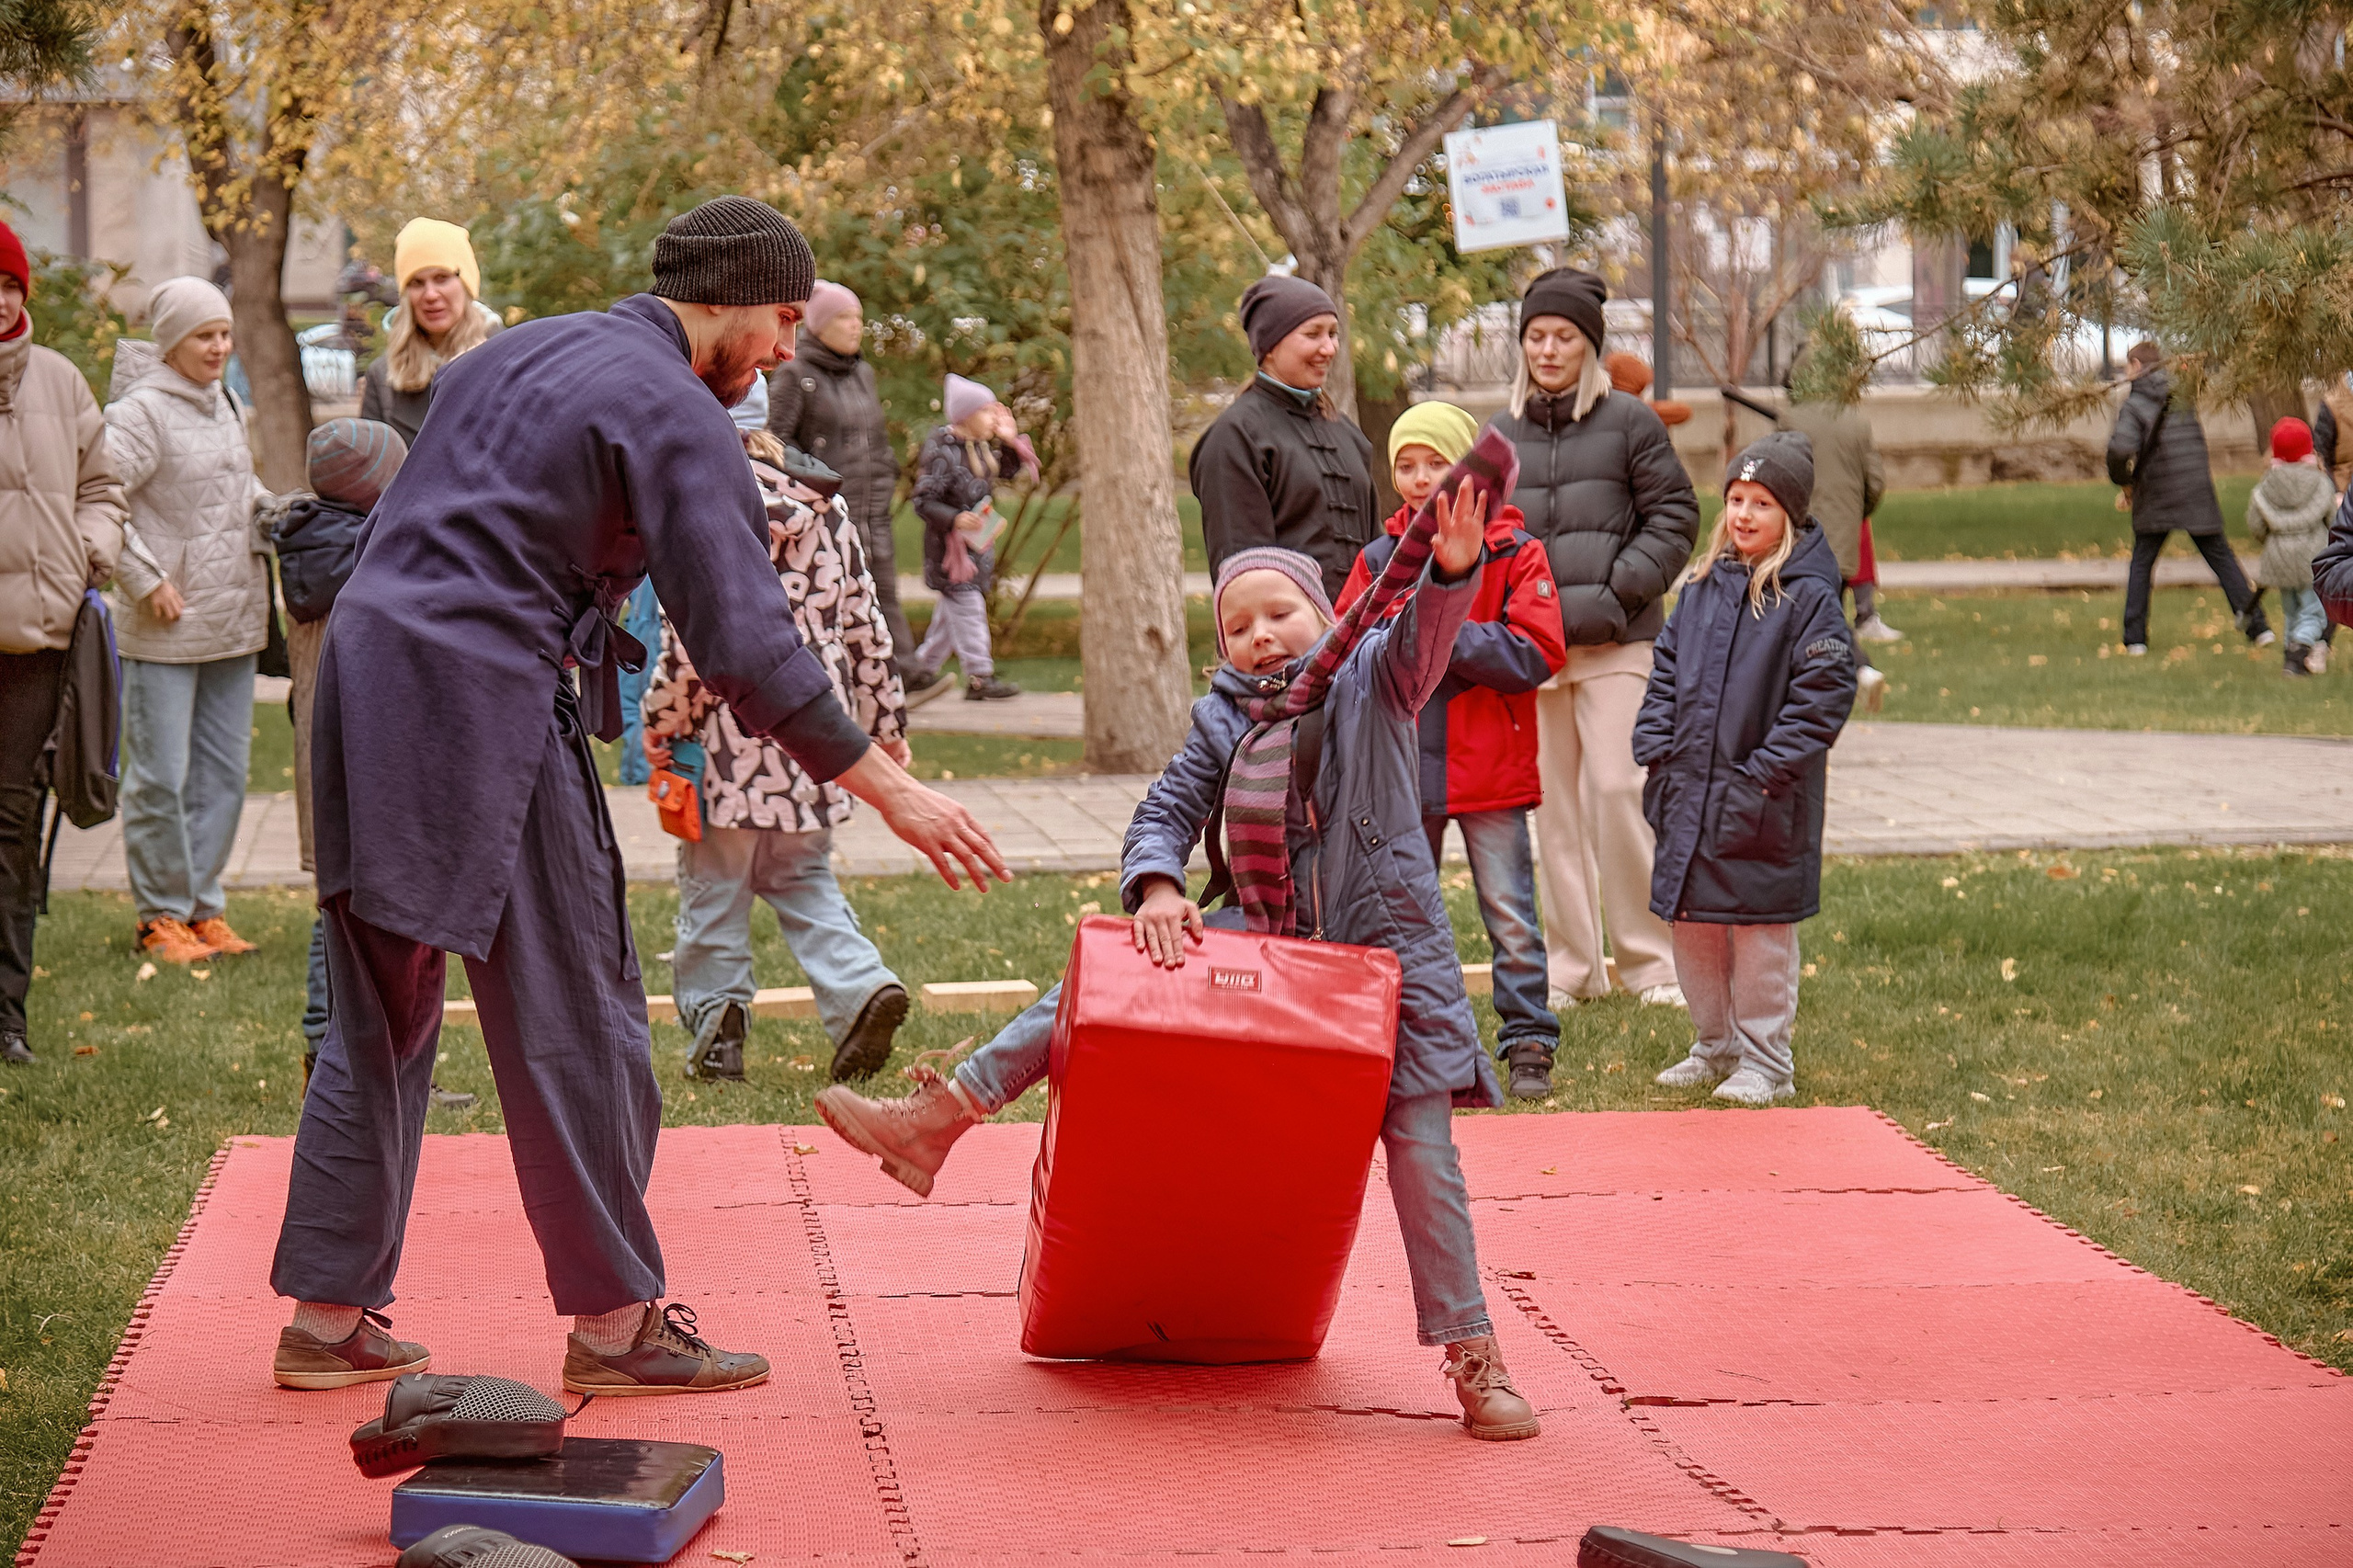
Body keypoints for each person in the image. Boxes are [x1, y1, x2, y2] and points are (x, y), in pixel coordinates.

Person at [268, 197, 1010, 1399]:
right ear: (723, 295)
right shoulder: (674, 408)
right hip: (479, 692)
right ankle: (617, 1327)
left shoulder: (514, 351)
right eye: (779, 319)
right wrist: (891, 787)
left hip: (365, 674)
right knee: (579, 1002)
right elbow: (749, 651)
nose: (783, 347)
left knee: (380, 1008)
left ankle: (325, 1315)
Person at [817, 475, 1549, 1443]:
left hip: (1385, 960)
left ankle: (1472, 1352)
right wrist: (1159, 884)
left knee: (1421, 1153)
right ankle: (942, 1114)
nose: (1261, 635)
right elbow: (1164, 807)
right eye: (1237, 624)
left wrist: (1451, 574)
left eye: (1280, 612)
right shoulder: (1223, 718)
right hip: (1271, 941)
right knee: (1101, 972)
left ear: (1324, 612)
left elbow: (1421, 640)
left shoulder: (1374, 676)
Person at [642, 434, 913, 1085]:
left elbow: (690, 643)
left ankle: (717, 1025)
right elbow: (866, 627)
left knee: (713, 889)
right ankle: (860, 990)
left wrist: (660, 721)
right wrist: (883, 724)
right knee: (805, 877)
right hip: (818, 731)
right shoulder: (830, 511)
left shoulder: (705, 509)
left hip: (729, 742)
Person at [1335, 401, 1567, 1100]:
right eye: (1405, 464)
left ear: (1467, 470)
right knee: (1399, 911)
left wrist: (1440, 627)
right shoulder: (1380, 560)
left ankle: (1528, 1040)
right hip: (1401, 771)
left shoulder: (1516, 553)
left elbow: (1537, 649)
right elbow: (1346, 647)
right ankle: (1401, 1042)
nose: (1417, 478)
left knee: (1510, 913)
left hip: (1489, 766)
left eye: (1435, 463)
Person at [1487, 267, 1699, 1015]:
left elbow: (1675, 517)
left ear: (1590, 347)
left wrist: (1619, 594)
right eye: (1537, 336)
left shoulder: (1629, 423)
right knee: (1554, 812)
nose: (1549, 350)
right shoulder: (1500, 435)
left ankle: (1651, 963)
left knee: (1617, 792)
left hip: (1619, 644)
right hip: (1531, 654)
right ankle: (1573, 966)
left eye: (1564, 338)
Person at [1637, 431, 1857, 1107]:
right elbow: (1666, 672)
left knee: (1760, 937)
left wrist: (1763, 773)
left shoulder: (1808, 600)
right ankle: (1714, 1043)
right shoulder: (1701, 590)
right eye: (1735, 499)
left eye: (1761, 503)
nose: (1744, 515)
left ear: (1788, 514)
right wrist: (1656, 747)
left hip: (1763, 799)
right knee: (1694, 925)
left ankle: (1767, 1059)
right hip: (1689, 795)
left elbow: (1821, 698)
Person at [106, 277, 271, 965]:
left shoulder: (224, 400)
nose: (219, 346)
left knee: (222, 774)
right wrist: (145, 581)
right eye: (205, 335)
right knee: (160, 777)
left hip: (233, 617)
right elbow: (98, 498)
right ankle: (160, 916)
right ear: (171, 341)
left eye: (224, 333)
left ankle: (204, 908)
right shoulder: (138, 414)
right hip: (165, 626)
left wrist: (277, 510)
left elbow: (236, 491)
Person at [0, 219, 125, 1065]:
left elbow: (103, 485)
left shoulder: (60, 381)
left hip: (36, 650)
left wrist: (93, 548)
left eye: (6, 285)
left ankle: (7, 1017)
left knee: (13, 831)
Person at [1188, 275, 1379, 602]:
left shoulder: (1348, 435)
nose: (1329, 348)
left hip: (1365, 644)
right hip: (1287, 647)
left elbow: (1376, 555)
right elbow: (1244, 582)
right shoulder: (1236, 438)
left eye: (1333, 334)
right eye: (1313, 334)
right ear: (1271, 346)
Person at [618, 381, 771, 786]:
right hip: (789, 748)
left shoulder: (689, 495)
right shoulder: (815, 498)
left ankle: (639, 772)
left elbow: (684, 651)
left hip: (703, 747)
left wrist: (659, 722)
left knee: (640, 666)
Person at [768, 279, 915, 672]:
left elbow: (878, 443)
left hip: (873, 507)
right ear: (818, 325)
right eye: (844, 317)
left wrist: (887, 480)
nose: (855, 326)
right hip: (826, 510)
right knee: (838, 594)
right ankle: (845, 678)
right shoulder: (795, 374)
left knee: (883, 588)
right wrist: (817, 487)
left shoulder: (863, 373)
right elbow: (774, 444)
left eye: (859, 317)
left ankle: (906, 672)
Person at [2108, 341, 2271, 655]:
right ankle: (2258, 627)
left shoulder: (2135, 403)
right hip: (2195, 488)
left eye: (2128, 366)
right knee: (2221, 558)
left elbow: (2119, 449)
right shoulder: (2182, 397)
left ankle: (2135, 639)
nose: (2126, 373)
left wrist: (2123, 481)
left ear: (2137, 366)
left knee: (2142, 563)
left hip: (2155, 491)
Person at [904, 373, 1032, 704]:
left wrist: (1009, 439)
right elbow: (922, 500)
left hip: (976, 550)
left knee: (950, 618)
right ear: (967, 415)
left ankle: (918, 671)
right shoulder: (942, 450)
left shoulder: (979, 448)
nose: (994, 418)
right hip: (950, 555)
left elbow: (1007, 471)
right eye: (988, 412)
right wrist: (954, 519)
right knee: (969, 607)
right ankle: (980, 676)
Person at [358, 218, 501, 447]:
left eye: (441, 278)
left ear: (466, 285)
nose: (431, 295)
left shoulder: (506, 359)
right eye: (416, 283)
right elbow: (372, 472)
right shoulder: (384, 376)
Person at [1779, 386, 1896, 644]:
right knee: (1828, 614)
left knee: (1808, 620)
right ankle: (1852, 667)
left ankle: (1855, 667)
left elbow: (1778, 476)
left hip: (1800, 537)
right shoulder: (1856, 421)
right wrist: (1854, 514)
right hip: (1841, 537)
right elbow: (1875, 483)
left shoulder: (1791, 419)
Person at [2245, 416, 2333, 677]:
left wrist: (2271, 541)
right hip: (2313, 557)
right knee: (2315, 612)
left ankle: (2291, 660)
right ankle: (2298, 651)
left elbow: (2256, 524)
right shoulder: (2319, 482)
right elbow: (2333, 520)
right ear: (2308, 448)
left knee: (2292, 609)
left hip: (2278, 558)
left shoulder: (2267, 484)